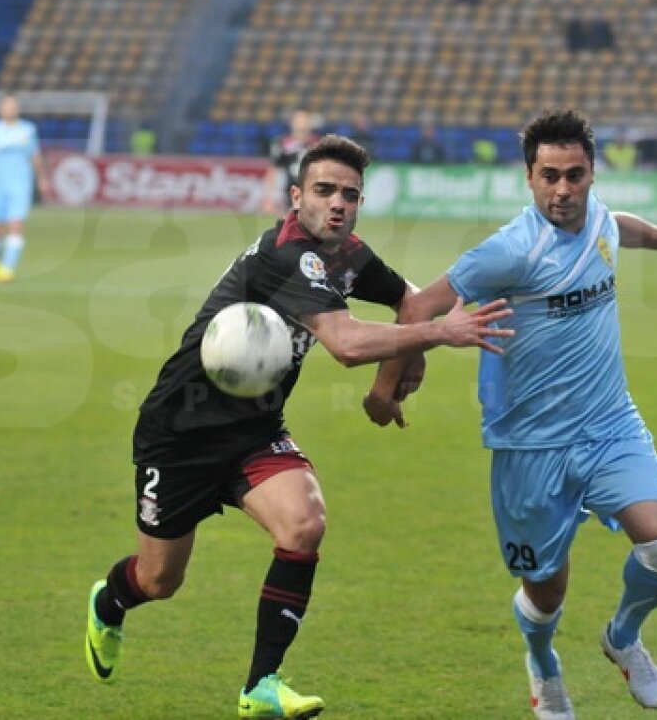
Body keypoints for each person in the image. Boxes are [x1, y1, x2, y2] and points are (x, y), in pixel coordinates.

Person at [83, 135, 514, 719]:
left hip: (254, 428)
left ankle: (261, 685)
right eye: (324, 191)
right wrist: (440, 336)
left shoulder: (347, 254)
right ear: (296, 197)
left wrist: (386, 392)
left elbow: (412, 301)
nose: (338, 203)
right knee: (159, 580)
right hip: (180, 432)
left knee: (304, 524)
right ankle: (109, 602)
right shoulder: (285, 256)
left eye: (350, 194)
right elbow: (345, 343)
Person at [363, 110, 657, 719]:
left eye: (574, 175)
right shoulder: (511, 251)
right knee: (546, 592)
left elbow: (620, 227)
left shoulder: (598, 217)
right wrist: (387, 384)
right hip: (530, 446)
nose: (562, 189)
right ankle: (543, 662)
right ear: (528, 178)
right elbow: (422, 302)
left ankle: (623, 636)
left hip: (610, 425)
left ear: (591, 174)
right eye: (549, 175)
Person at [0, 93, 47, 283]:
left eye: (13, 106)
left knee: (16, 225)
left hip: (21, 184)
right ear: (0, 109)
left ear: (17, 109)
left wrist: (41, 178)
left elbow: (35, 156)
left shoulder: (27, 130)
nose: (9, 109)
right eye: (6, 106)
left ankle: (7, 268)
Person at [263, 109, 320, 214]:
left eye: (304, 120)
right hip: (291, 193)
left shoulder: (318, 144)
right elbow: (273, 170)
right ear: (292, 123)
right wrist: (268, 198)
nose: (301, 124)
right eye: (298, 120)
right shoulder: (282, 143)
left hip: (313, 192)